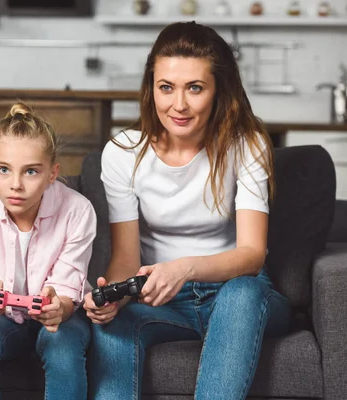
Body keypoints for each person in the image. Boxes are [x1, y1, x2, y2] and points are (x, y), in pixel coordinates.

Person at [84, 21, 292, 400]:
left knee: (242, 294)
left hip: (238, 294)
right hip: (163, 303)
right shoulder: (123, 153)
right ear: (152, 89)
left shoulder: (247, 145)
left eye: (194, 88)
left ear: (217, 91)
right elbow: (127, 258)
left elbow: (251, 255)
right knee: (110, 327)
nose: (178, 105)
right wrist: (113, 298)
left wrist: (185, 268)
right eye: (166, 87)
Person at [0, 102, 96, 400]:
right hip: (4, 318)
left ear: (52, 173)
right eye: (3, 170)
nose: (15, 185)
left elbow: (68, 288)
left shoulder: (78, 210)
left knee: (62, 348)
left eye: (31, 171)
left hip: (63, 319)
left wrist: (61, 307)